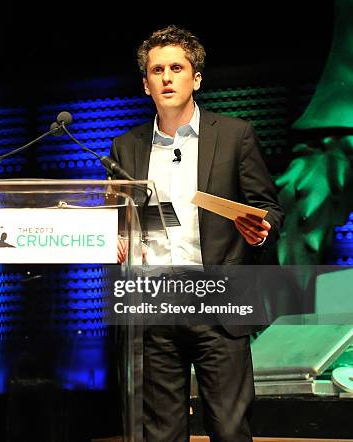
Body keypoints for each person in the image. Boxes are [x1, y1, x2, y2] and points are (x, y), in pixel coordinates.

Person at [110, 26, 284, 441]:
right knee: (161, 434)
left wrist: (259, 230)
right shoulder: (126, 147)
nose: (167, 77)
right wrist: (115, 239)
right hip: (155, 307)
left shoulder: (234, 135)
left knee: (229, 430)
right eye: (157, 70)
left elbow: (271, 209)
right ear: (145, 83)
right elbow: (121, 220)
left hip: (219, 305)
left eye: (177, 67)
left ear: (196, 78)